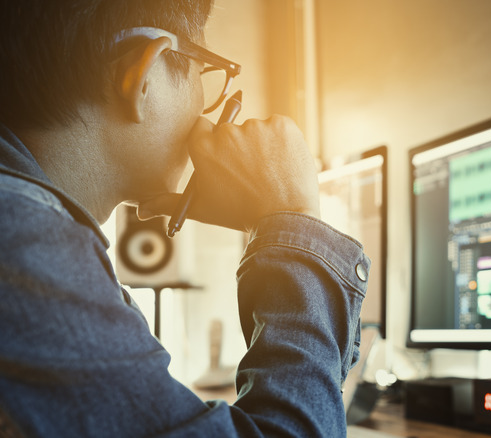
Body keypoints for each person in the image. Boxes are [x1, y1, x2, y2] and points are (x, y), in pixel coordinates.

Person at [0, 1, 368, 436]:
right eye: (203, 73)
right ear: (143, 72)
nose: (204, 111)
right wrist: (293, 216)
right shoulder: (26, 242)